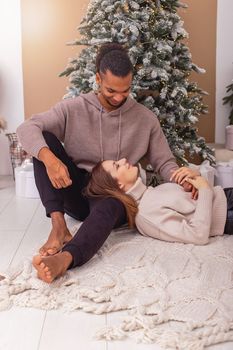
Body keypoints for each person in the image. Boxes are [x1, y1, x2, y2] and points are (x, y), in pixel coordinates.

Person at [17, 43, 198, 283]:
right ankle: (58, 226)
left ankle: (65, 259)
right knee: (44, 142)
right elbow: (26, 128)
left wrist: (181, 179)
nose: (119, 97)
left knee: (112, 203)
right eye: (112, 90)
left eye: (126, 90)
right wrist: (50, 159)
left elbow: (164, 162)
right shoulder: (74, 108)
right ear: (98, 79)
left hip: (117, 195)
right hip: (79, 191)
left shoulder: (145, 118)